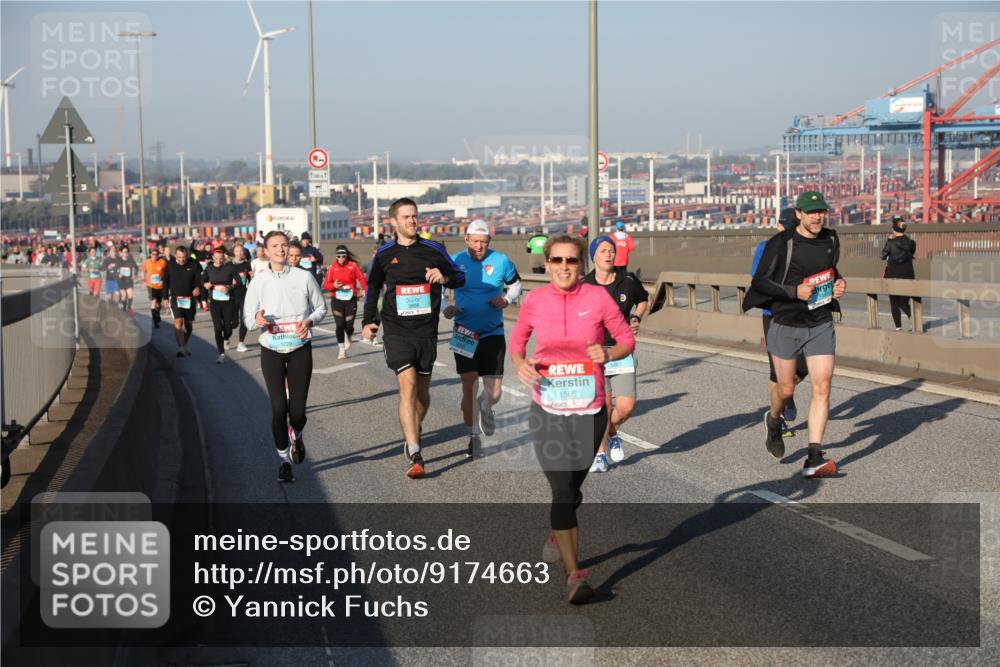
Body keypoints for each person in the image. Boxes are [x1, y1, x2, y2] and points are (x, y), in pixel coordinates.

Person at [510, 233, 635, 604]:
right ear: (547, 264)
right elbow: (517, 344)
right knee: (562, 491)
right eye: (557, 260)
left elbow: (626, 339)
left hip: (591, 408)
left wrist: (608, 353)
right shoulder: (535, 301)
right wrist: (521, 364)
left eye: (571, 260)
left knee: (573, 489)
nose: (564, 267)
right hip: (548, 408)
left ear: (582, 265)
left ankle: (559, 528)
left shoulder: (597, 298)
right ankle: (574, 576)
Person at [743, 191, 846, 478]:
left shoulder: (831, 240)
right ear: (798, 214)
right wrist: (793, 292)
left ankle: (814, 456)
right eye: (811, 212)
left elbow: (830, 271)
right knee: (786, 389)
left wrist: (838, 283)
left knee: (822, 385)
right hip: (785, 322)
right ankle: (774, 419)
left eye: (821, 211)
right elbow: (759, 283)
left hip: (820, 321)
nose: (817, 216)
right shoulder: (780, 243)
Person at [361, 198, 466, 479]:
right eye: (406, 217)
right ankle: (415, 452)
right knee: (407, 388)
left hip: (426, 331)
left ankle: (413, 428)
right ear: (394, 221)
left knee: (422, 394)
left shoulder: (434, 249)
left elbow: (460, 277)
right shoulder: (384, 253)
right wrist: (369, 320)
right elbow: (373, 287)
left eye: (414, 216)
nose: (412, 221)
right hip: (396, 330)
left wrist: (444, 276)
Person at [243, 230, 327, 483]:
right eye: (274, 246)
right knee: (279, 408)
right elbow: (248, 319)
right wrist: (257, 319)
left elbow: (321, 308)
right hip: (271, 349)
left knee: (298, 413)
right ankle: (284, 461)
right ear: (266, 251)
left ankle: (296, 436)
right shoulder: (258, 281)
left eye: (283, 245)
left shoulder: (304, 277)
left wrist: (309, 321)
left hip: (299, 347)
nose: (280, 249)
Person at [443, 220, 521, 458]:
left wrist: (506, 300)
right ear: (466, 239)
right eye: (475, 241)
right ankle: (473, 436)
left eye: (484, 242)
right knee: (468, 384)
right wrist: (445, 308)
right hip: (464, 332)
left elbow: (516, 285)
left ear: (489, 242)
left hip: (493, 332)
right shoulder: (454, 261)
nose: (479, 246)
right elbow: (438, 291)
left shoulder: (501, 261)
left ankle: (486, 406)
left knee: (494, 392)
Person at [582, 235, 648, 471]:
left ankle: (611, 432)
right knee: (604, 406)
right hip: (596, 351)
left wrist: (636, 317)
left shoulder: (628, 280)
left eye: (611, 250)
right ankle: (599, 455)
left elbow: (643, 299)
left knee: (626, 406)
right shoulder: (584, 285)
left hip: (621, 349)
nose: (608, 254)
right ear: (594, 256)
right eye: (603, 251)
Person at [750, 208, 808, 441]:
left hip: (802, 314)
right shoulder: (765, 248)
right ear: (778, 226)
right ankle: (778, 417)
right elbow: (758, 280)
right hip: (773, 314)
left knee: (804, 366)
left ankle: (787, 393)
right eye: (787, 227)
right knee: (776, 371)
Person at [322, 245, 367, 359]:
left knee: (349, 325)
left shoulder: (353, 266)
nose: (341, 258)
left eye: (343, 256)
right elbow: (326, 285)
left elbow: (362, 278)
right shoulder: (332, 268)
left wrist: (363, 289)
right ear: (336, 257)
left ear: (346, 256)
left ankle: (349, 334)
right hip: (337, 299)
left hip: (350, 299)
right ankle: (341, 350)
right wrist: (334, 285)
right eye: (339, 256)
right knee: (340, 324)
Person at [162, 245, 203, 357]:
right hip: (175, 298)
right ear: (175, 255)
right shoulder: (170, 265)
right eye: (179, 257)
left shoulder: (194, 264)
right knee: (178, 321)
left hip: (189, 298)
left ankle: (184, 344)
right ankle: (181, 348)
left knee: (189, 326)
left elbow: (199, 278)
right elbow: (166, 282)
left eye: (184, 257)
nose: (182, 260)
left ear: (187, 255)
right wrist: (165, 297)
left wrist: (197, 287)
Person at [203, 246, 241, 364]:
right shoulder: (209, 268)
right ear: (213, 258)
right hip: (215, 302)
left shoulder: (230, 268)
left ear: (224, 258)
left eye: (221, 259)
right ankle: (221, 353)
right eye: (216, 258)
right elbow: (202, 281)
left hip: (228, 302)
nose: (219, 261)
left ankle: (226, 337)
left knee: (229, 328)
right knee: (218, 327)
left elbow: (239, 282)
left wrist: (229, 287)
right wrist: (206, 285)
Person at [882, 215, 917, 331]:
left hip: (893, 274)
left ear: (893, 228)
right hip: (908, 274)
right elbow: (910, 253)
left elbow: (883, 256)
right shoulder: (911, 243)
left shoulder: (890, 243)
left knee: (894, 302)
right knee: (904, 302)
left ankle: (898, 327)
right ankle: (915, 322)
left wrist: (889, 241)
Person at [230, 244, 253, 352]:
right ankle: (226, 337)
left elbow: (250, 281)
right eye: (237, 251)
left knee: (244, 320)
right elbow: (223, 278)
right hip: (232, 296)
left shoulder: (247, 264)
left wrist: (252, 277)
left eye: (241, 251)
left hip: (244, 295)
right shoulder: (228, 265)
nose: (239, 253)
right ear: (234, 252)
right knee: (233, 323)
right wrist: (230, 282)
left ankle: (241, 343)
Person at [142, 247, 168, 328]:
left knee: (158, 304)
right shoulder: (147, 262)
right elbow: (143, 271)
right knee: (154, 301)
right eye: (152, 254)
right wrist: (143, 280)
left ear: (158, 255)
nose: (154, 256)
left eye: (156, 254)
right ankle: (154, 320)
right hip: (150, 285)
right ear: (151, 254)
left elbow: (167, 273)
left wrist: (163, 280)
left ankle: (157, 313)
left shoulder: (162, 262)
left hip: (160, 286)